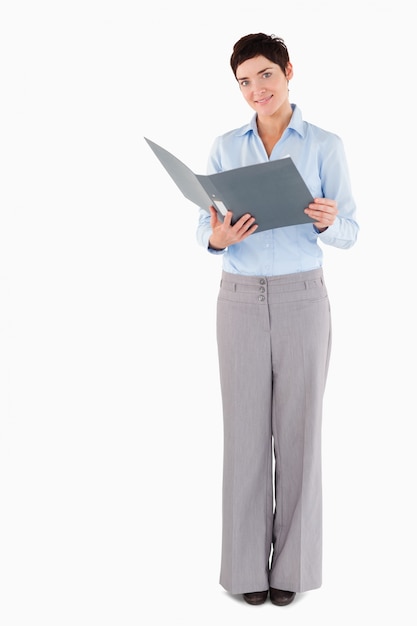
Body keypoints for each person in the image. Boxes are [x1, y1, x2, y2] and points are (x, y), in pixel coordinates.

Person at [196, 33, 359, 607]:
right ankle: (243, 569)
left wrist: (323, 223)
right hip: (238, 299)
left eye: (265, 75)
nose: (256, 90)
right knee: (243, 437)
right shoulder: (223, 147)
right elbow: (204, 228)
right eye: (244, 81)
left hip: (301, 300)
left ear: (288, 71)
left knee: (299, 435)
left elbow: (350, 230)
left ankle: (292, 565)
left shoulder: (324, 145)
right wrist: (216, 237)